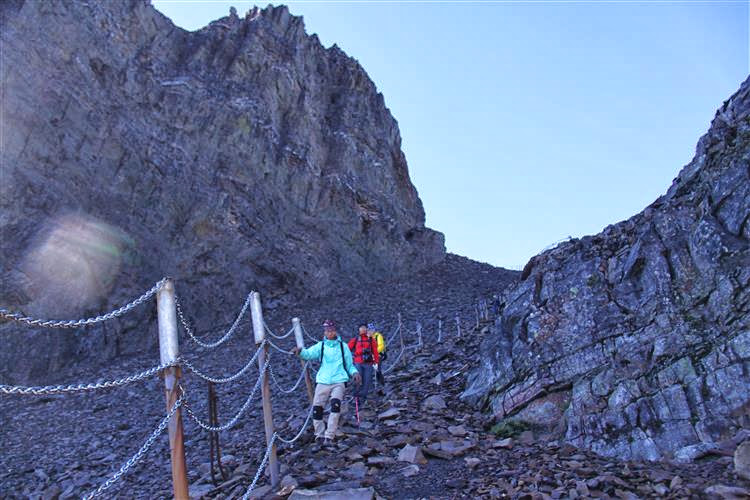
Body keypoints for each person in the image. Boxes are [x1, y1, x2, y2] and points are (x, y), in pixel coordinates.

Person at [293, 319, 360, 448]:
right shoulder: (321, 346)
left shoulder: (343, 346)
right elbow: (309, 354)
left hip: (339, 380)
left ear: (335, 331)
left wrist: (354, 373)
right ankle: (319, 435)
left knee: (335, 406)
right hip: (323, 380)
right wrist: (300, 351)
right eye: (327, 330)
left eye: (331, 330)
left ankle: (330, 436)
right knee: (317, 408)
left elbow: (349, 364)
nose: (329, 333)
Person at [348, 323, 379, 408]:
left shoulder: (371, 340)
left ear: (366, 329)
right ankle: (356, 397)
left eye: (364, 328)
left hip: (368, 363)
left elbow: (375, 352)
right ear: (359, 330)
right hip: (358, 362)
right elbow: (347, 349)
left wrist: (376, 362)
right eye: (361, 328)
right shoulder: (355, 340)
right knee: (357, 379)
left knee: (367, 381)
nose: (363, 330)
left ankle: (363, 397)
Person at [369, 323, 387, 388]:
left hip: (378, 355)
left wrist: (374, 353)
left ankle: (381, 384)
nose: (371, 331)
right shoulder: (368, 338)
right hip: (370, 356)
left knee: (378, 369)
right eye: (369, 330)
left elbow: (381, 346)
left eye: (371, 329)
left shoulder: (378, 336)